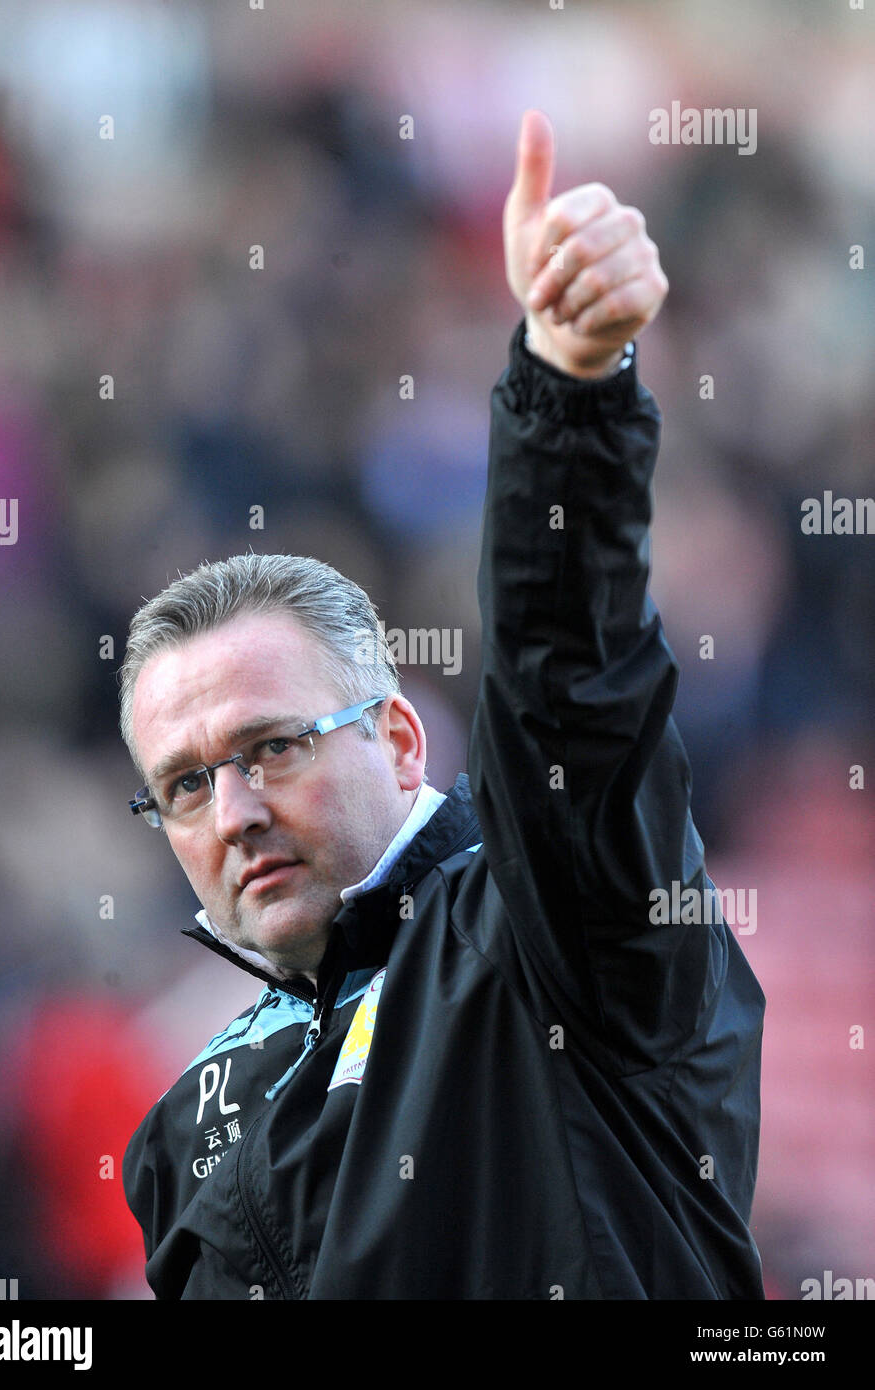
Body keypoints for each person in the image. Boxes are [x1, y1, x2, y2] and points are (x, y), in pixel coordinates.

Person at [120, 110, 765, 1299]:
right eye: (186, 783)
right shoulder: (180, 1124)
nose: (236, 809)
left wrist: (570, 395)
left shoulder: (551, 928)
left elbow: (575, 695)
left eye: (273, 745)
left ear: (401, 739)